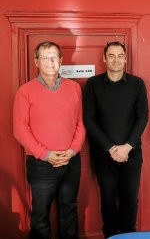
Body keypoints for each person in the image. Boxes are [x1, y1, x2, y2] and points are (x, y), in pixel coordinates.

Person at [13, 41, 85, 239]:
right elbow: (20, 130)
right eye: (45, 57)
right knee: (40, 214)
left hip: (71, 161)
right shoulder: (25, 91)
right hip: (41, 164)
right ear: (36, 61)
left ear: (61, 60)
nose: (50, 61)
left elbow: (81, 123)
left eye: (54, 56)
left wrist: (72, 151)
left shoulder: (74, 88)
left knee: (69, 209)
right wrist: (46, 154)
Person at [82, 41, 148, 238]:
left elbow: (142, 117)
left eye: (120, 55)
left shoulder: (138, 84)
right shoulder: (92, 84)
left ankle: (129, 236)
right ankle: (110, 236)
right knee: (108, 201)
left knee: (130, 201)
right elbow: (89, 120)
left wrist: (127, 147)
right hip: (104, 155)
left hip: (132, 154)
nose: (116, 59)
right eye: (111, 55)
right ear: (104, 58)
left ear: (126, 58)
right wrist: (111, 148)